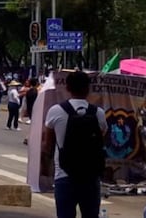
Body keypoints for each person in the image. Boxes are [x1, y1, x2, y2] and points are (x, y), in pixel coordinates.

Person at [44, 70, 108, 218]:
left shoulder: (55, 111)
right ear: (88, 89)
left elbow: (48, 145)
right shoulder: (98, 113)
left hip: (64, 175)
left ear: (68, 88)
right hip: (91, 178)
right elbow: (102, 140)